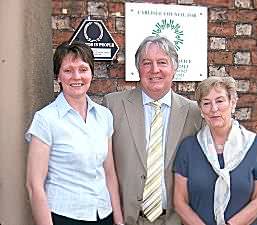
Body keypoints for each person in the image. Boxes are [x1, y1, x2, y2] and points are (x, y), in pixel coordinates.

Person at [103, 36, 203, 225]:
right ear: (138, 68)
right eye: (146, 63)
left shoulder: (194, 112)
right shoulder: (113, 105)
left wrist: (256, 195)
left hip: (176, 220)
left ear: (174, 68)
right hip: (126, 219)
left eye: (162, 62)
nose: (154, 70)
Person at [25, 41, 124, 225]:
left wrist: (118, 220)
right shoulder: (46, 119)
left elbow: (109, 173)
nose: (76, 76)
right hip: (65, 217)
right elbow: (34, 185)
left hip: (104, 215)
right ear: (58, 77)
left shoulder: (104, 116)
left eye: (83, 69)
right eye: (68, 70)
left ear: (92, 74)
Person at [173, 76, 257, 225]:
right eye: (206, 103)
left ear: (232, 103)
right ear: (201, 110)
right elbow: (180, 202)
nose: (214, 109)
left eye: (220, 101)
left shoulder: (255, 145)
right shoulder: (188, 148)